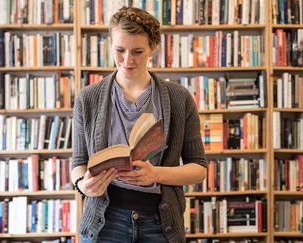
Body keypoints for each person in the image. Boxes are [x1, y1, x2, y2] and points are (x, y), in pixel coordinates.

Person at [71, 6, 206, 243]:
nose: (128, 60)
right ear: (110, 43)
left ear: (153, 47)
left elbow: (199, 169)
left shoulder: (179, 98)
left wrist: (155, 173)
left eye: (138, 51)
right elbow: (78, 163)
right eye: (120, 50)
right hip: (105, 222)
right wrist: (83, 185)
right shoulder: (88, 97)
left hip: (160, 222)